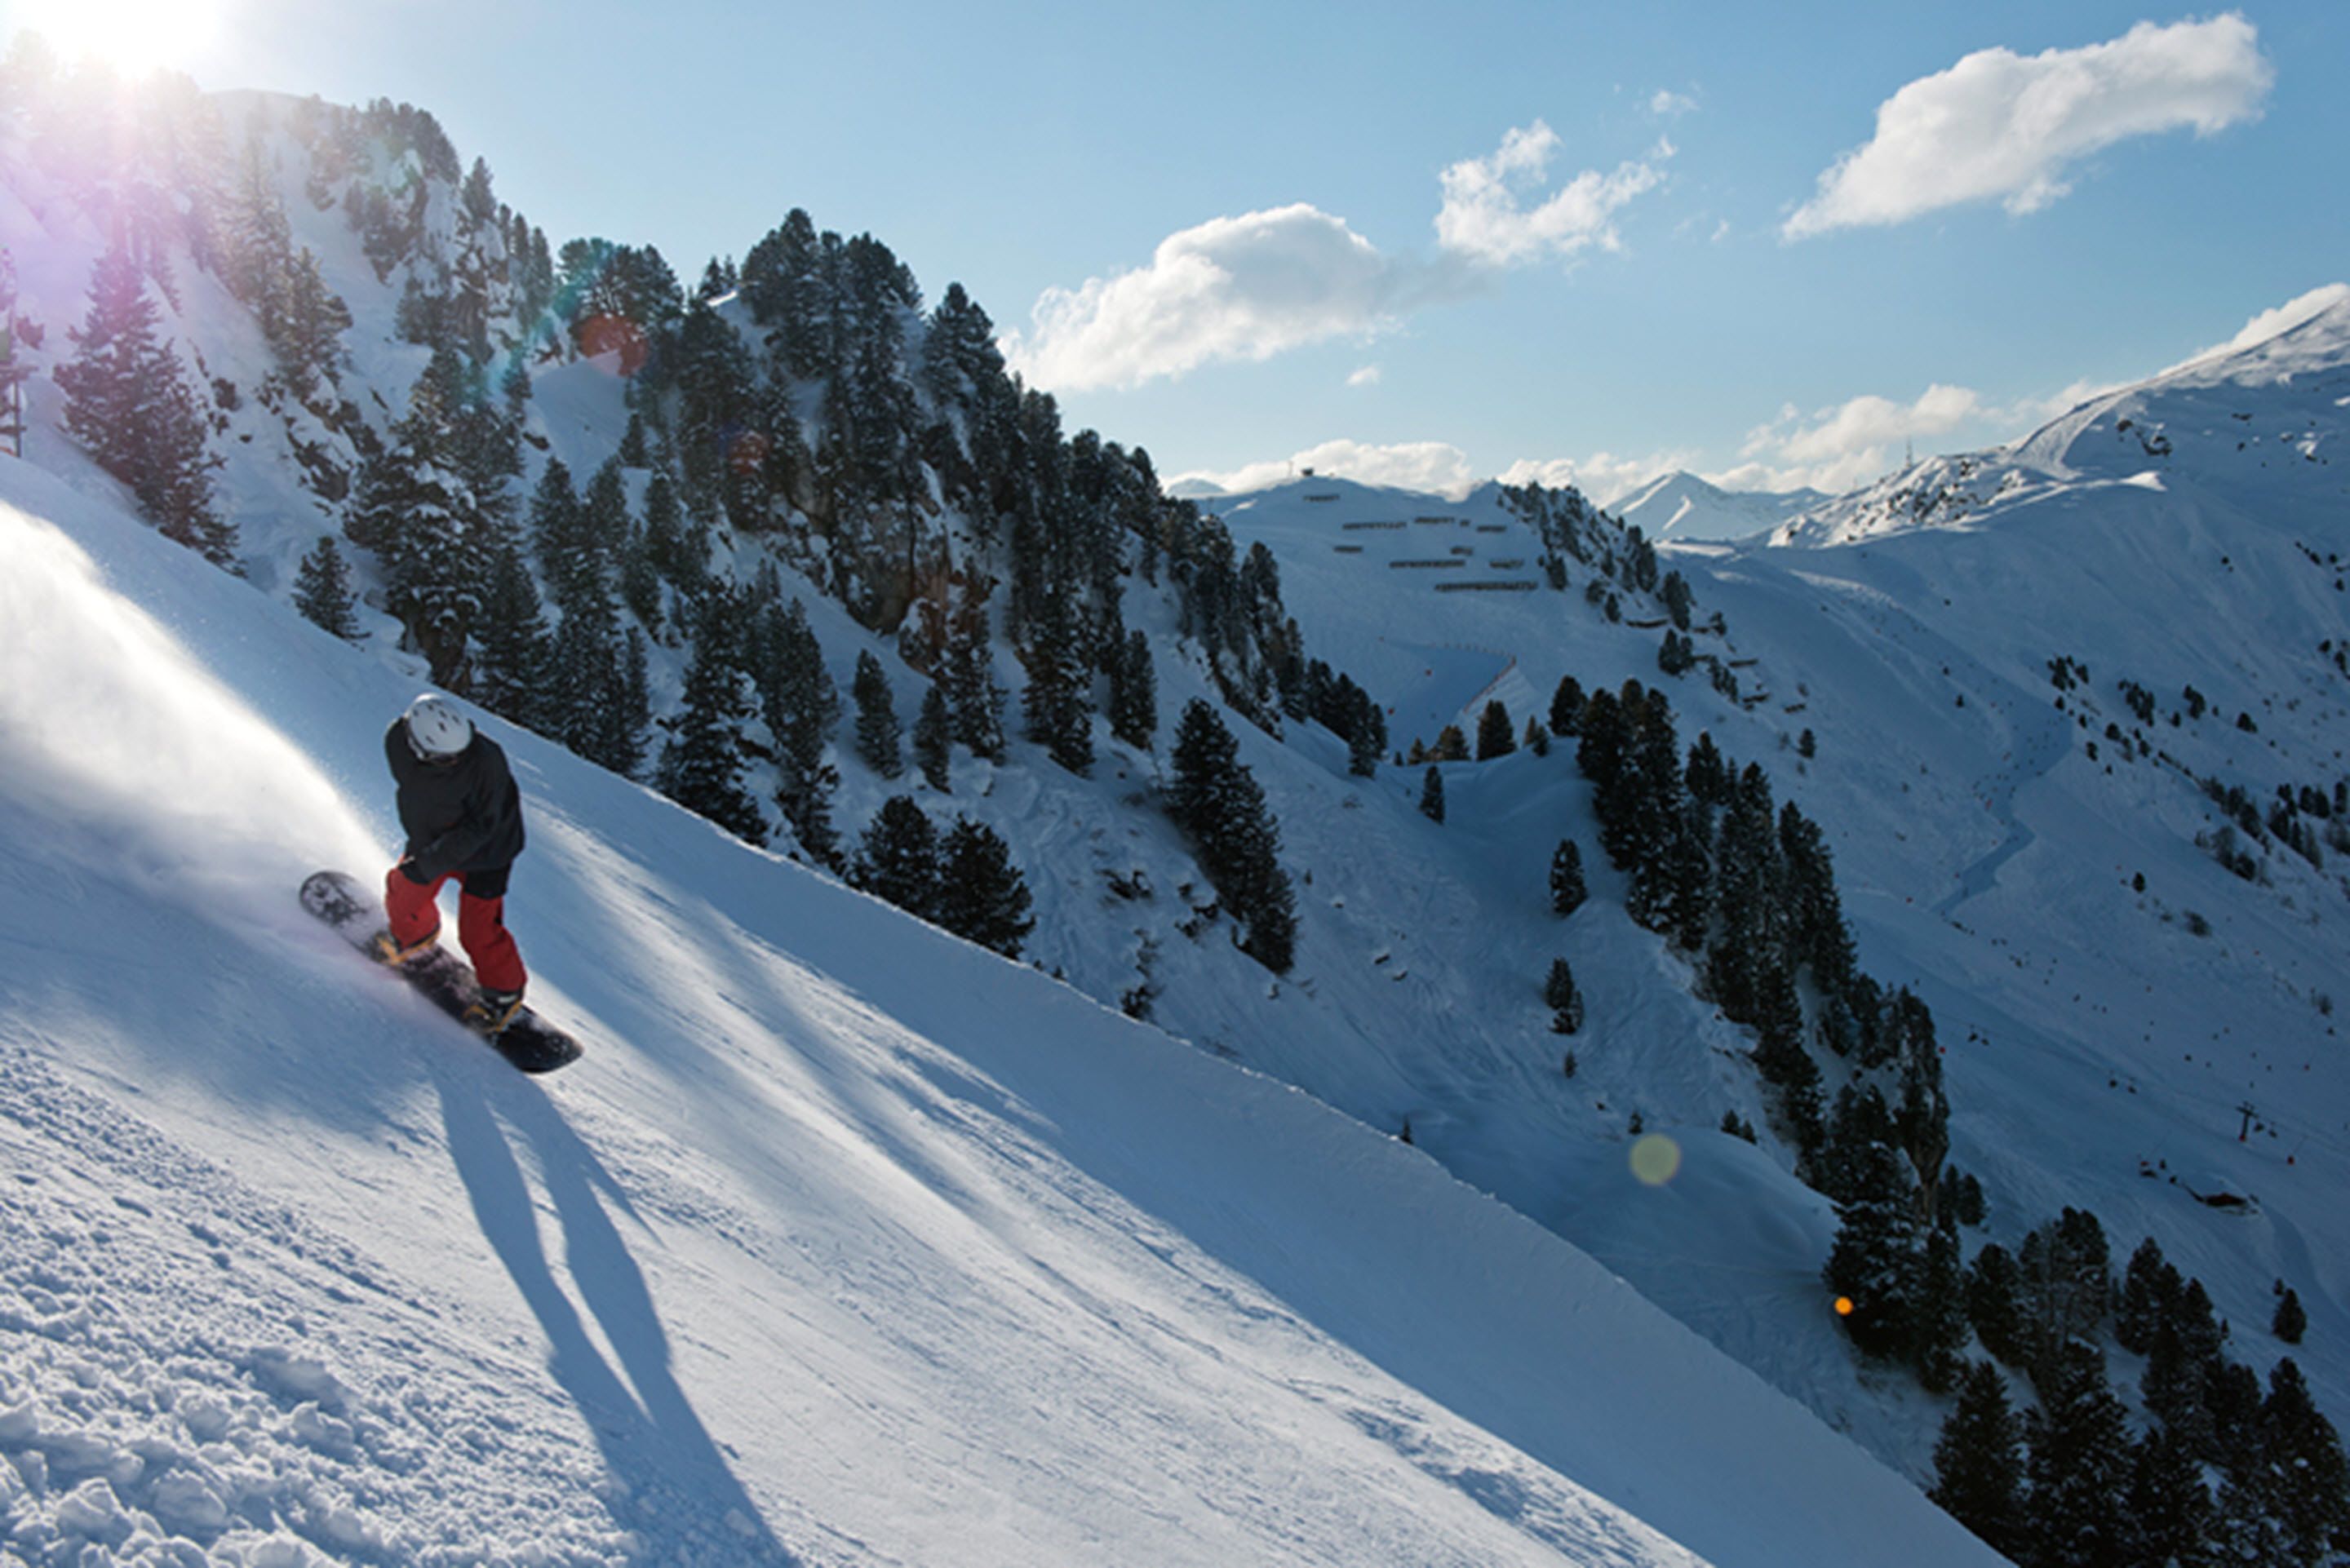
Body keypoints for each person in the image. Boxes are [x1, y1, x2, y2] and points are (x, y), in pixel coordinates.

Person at [379, 693, 530, 1032]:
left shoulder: (487, 761)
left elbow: (482, 826)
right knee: (403, 893)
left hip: (489, 852)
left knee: (478, 931)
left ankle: (503, 996)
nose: (455, 761)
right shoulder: (397, 741)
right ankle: (414, 937)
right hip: (433, 839)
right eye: (444, 758)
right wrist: (424, 849)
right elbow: (416, 794)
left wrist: (430, 860)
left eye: (458, 755)